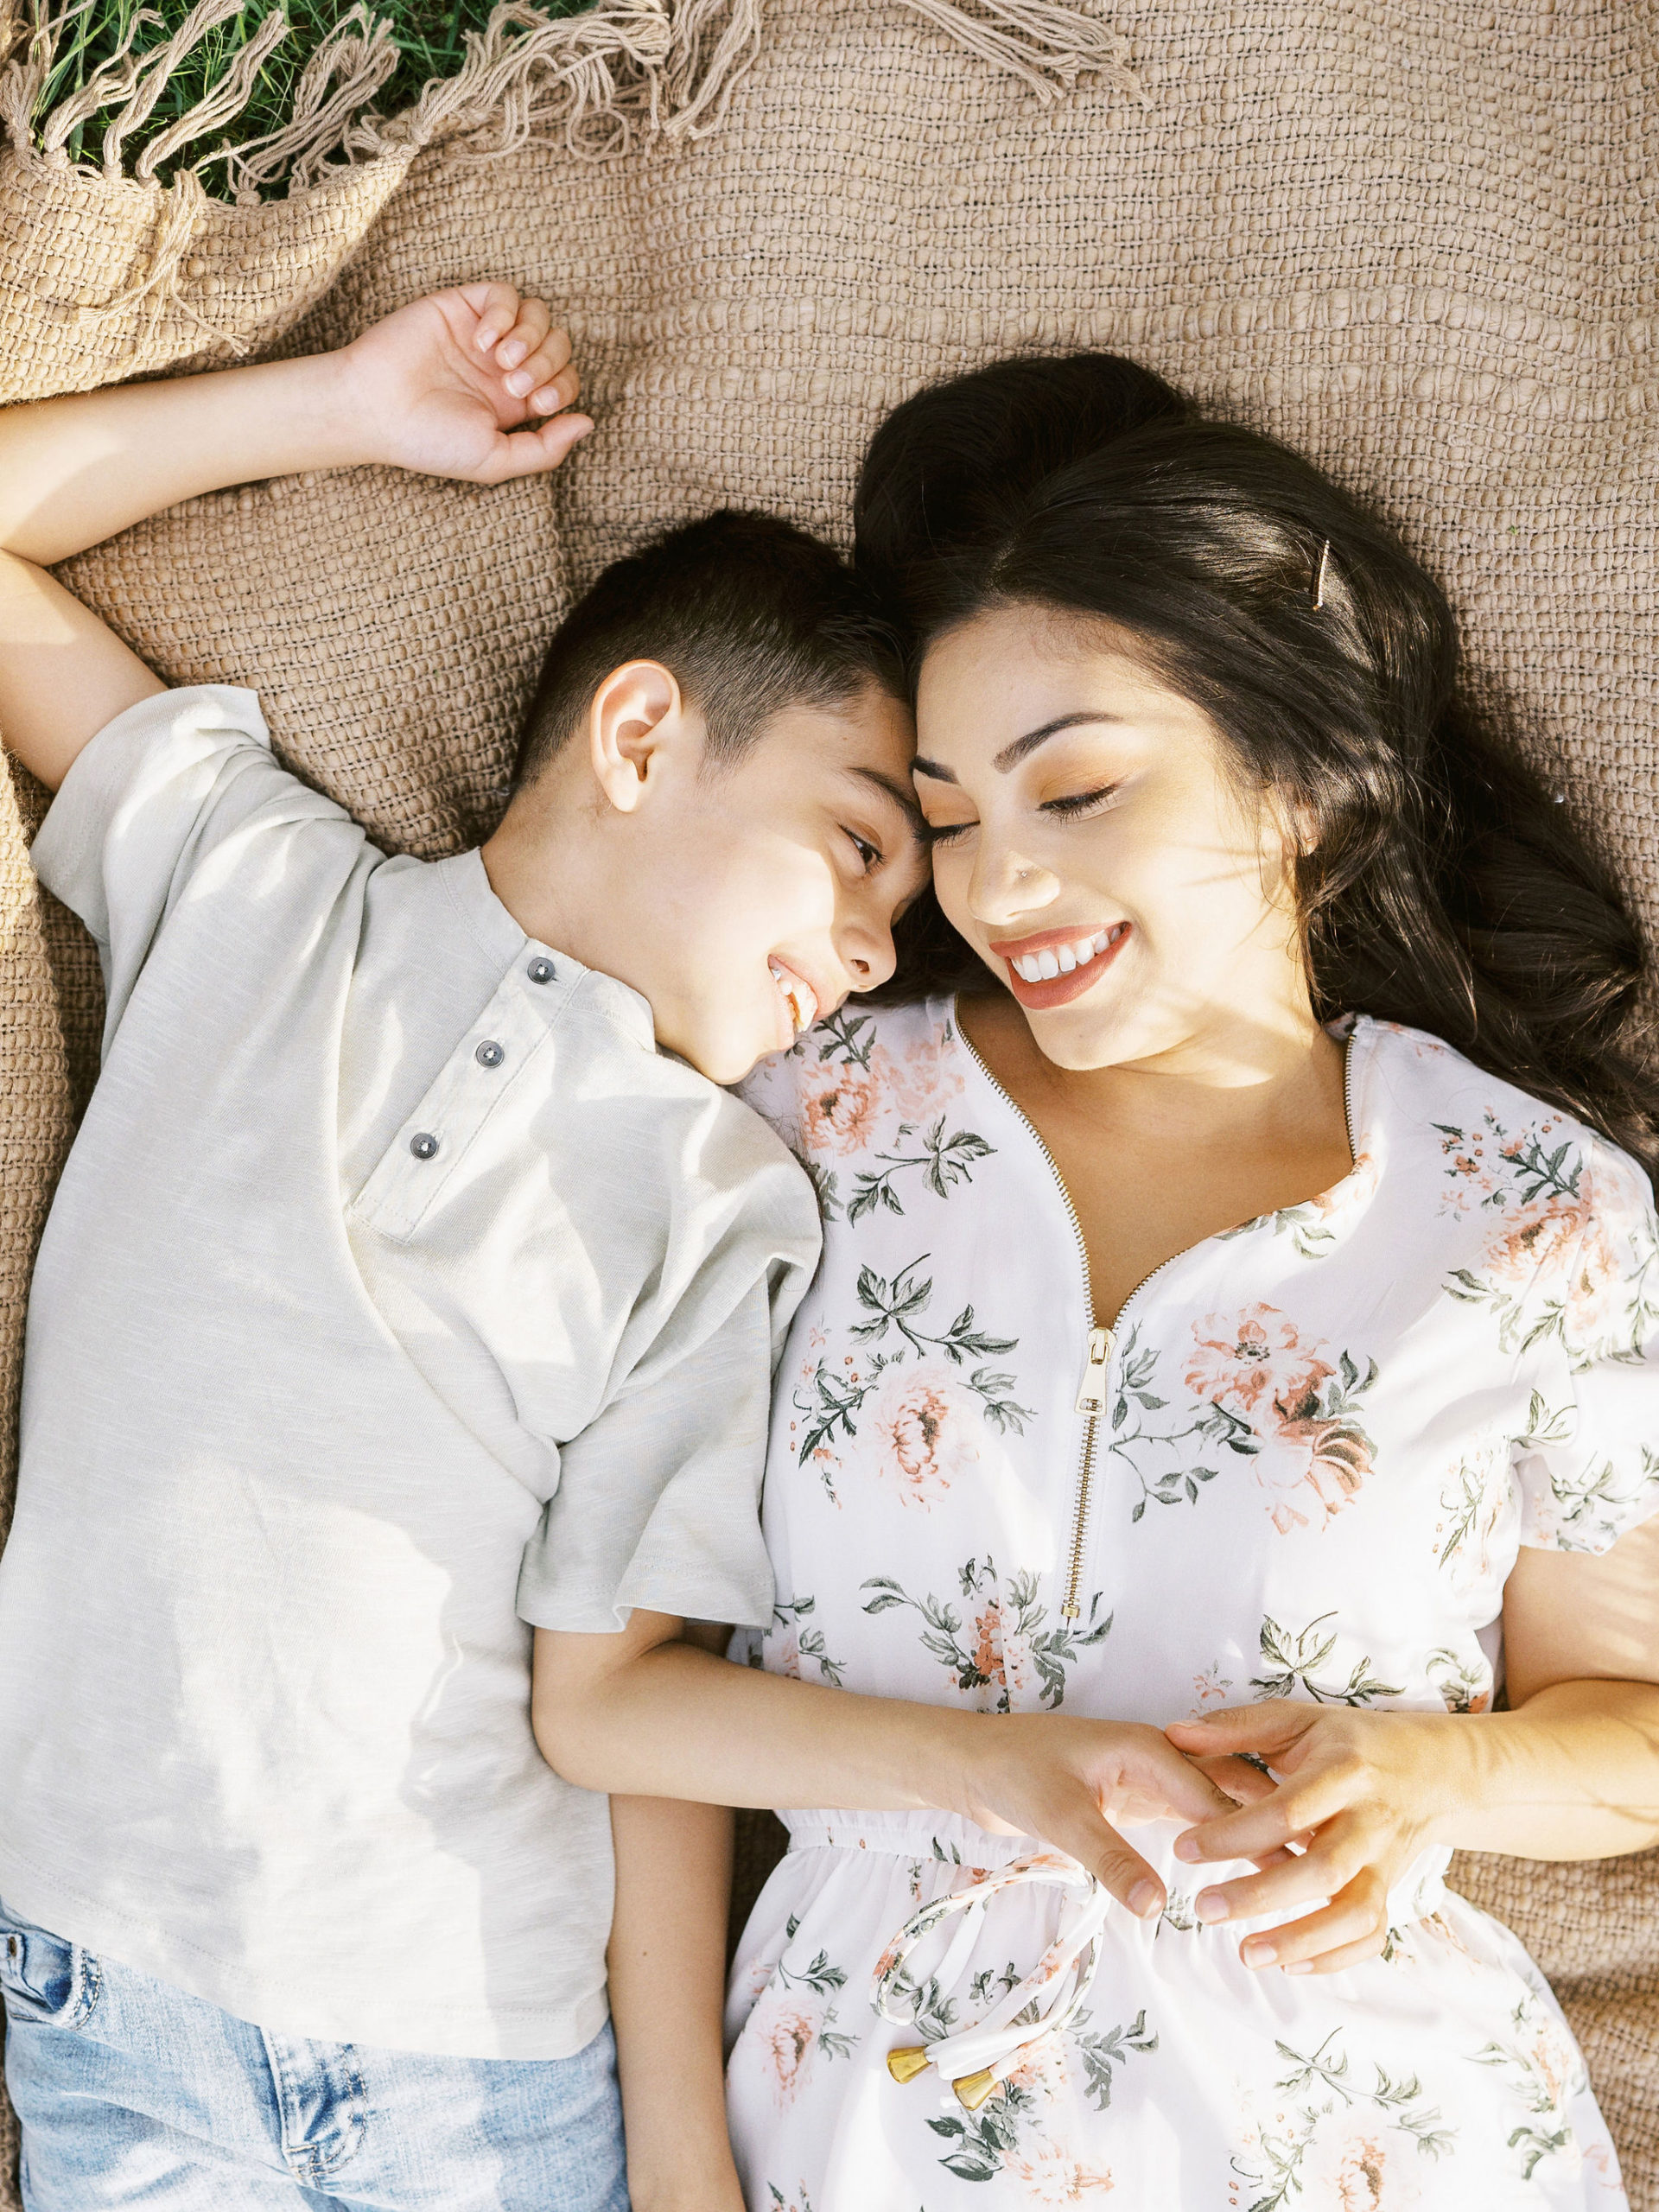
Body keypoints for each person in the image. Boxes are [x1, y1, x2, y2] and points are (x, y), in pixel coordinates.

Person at [0, 293, 1237, 2212]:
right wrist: (340, 402)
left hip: (467, 2061)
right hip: (114, 2002)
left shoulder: (726, 1205)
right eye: (855, 850)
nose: (864, 957)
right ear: (643, 733)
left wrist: (681, 2152)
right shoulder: (242, 881)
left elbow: (632, 1683)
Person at [701, 355, 1659, 2207]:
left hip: (1363, 2128)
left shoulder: (1534, 1212)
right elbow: (615, 1682)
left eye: (1077, 789)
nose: (1004, 886)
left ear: (1297, 772)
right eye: (952, 816)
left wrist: (1431, 1779)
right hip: (868, 2122)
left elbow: (1630, 1727)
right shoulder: (805, 1115)